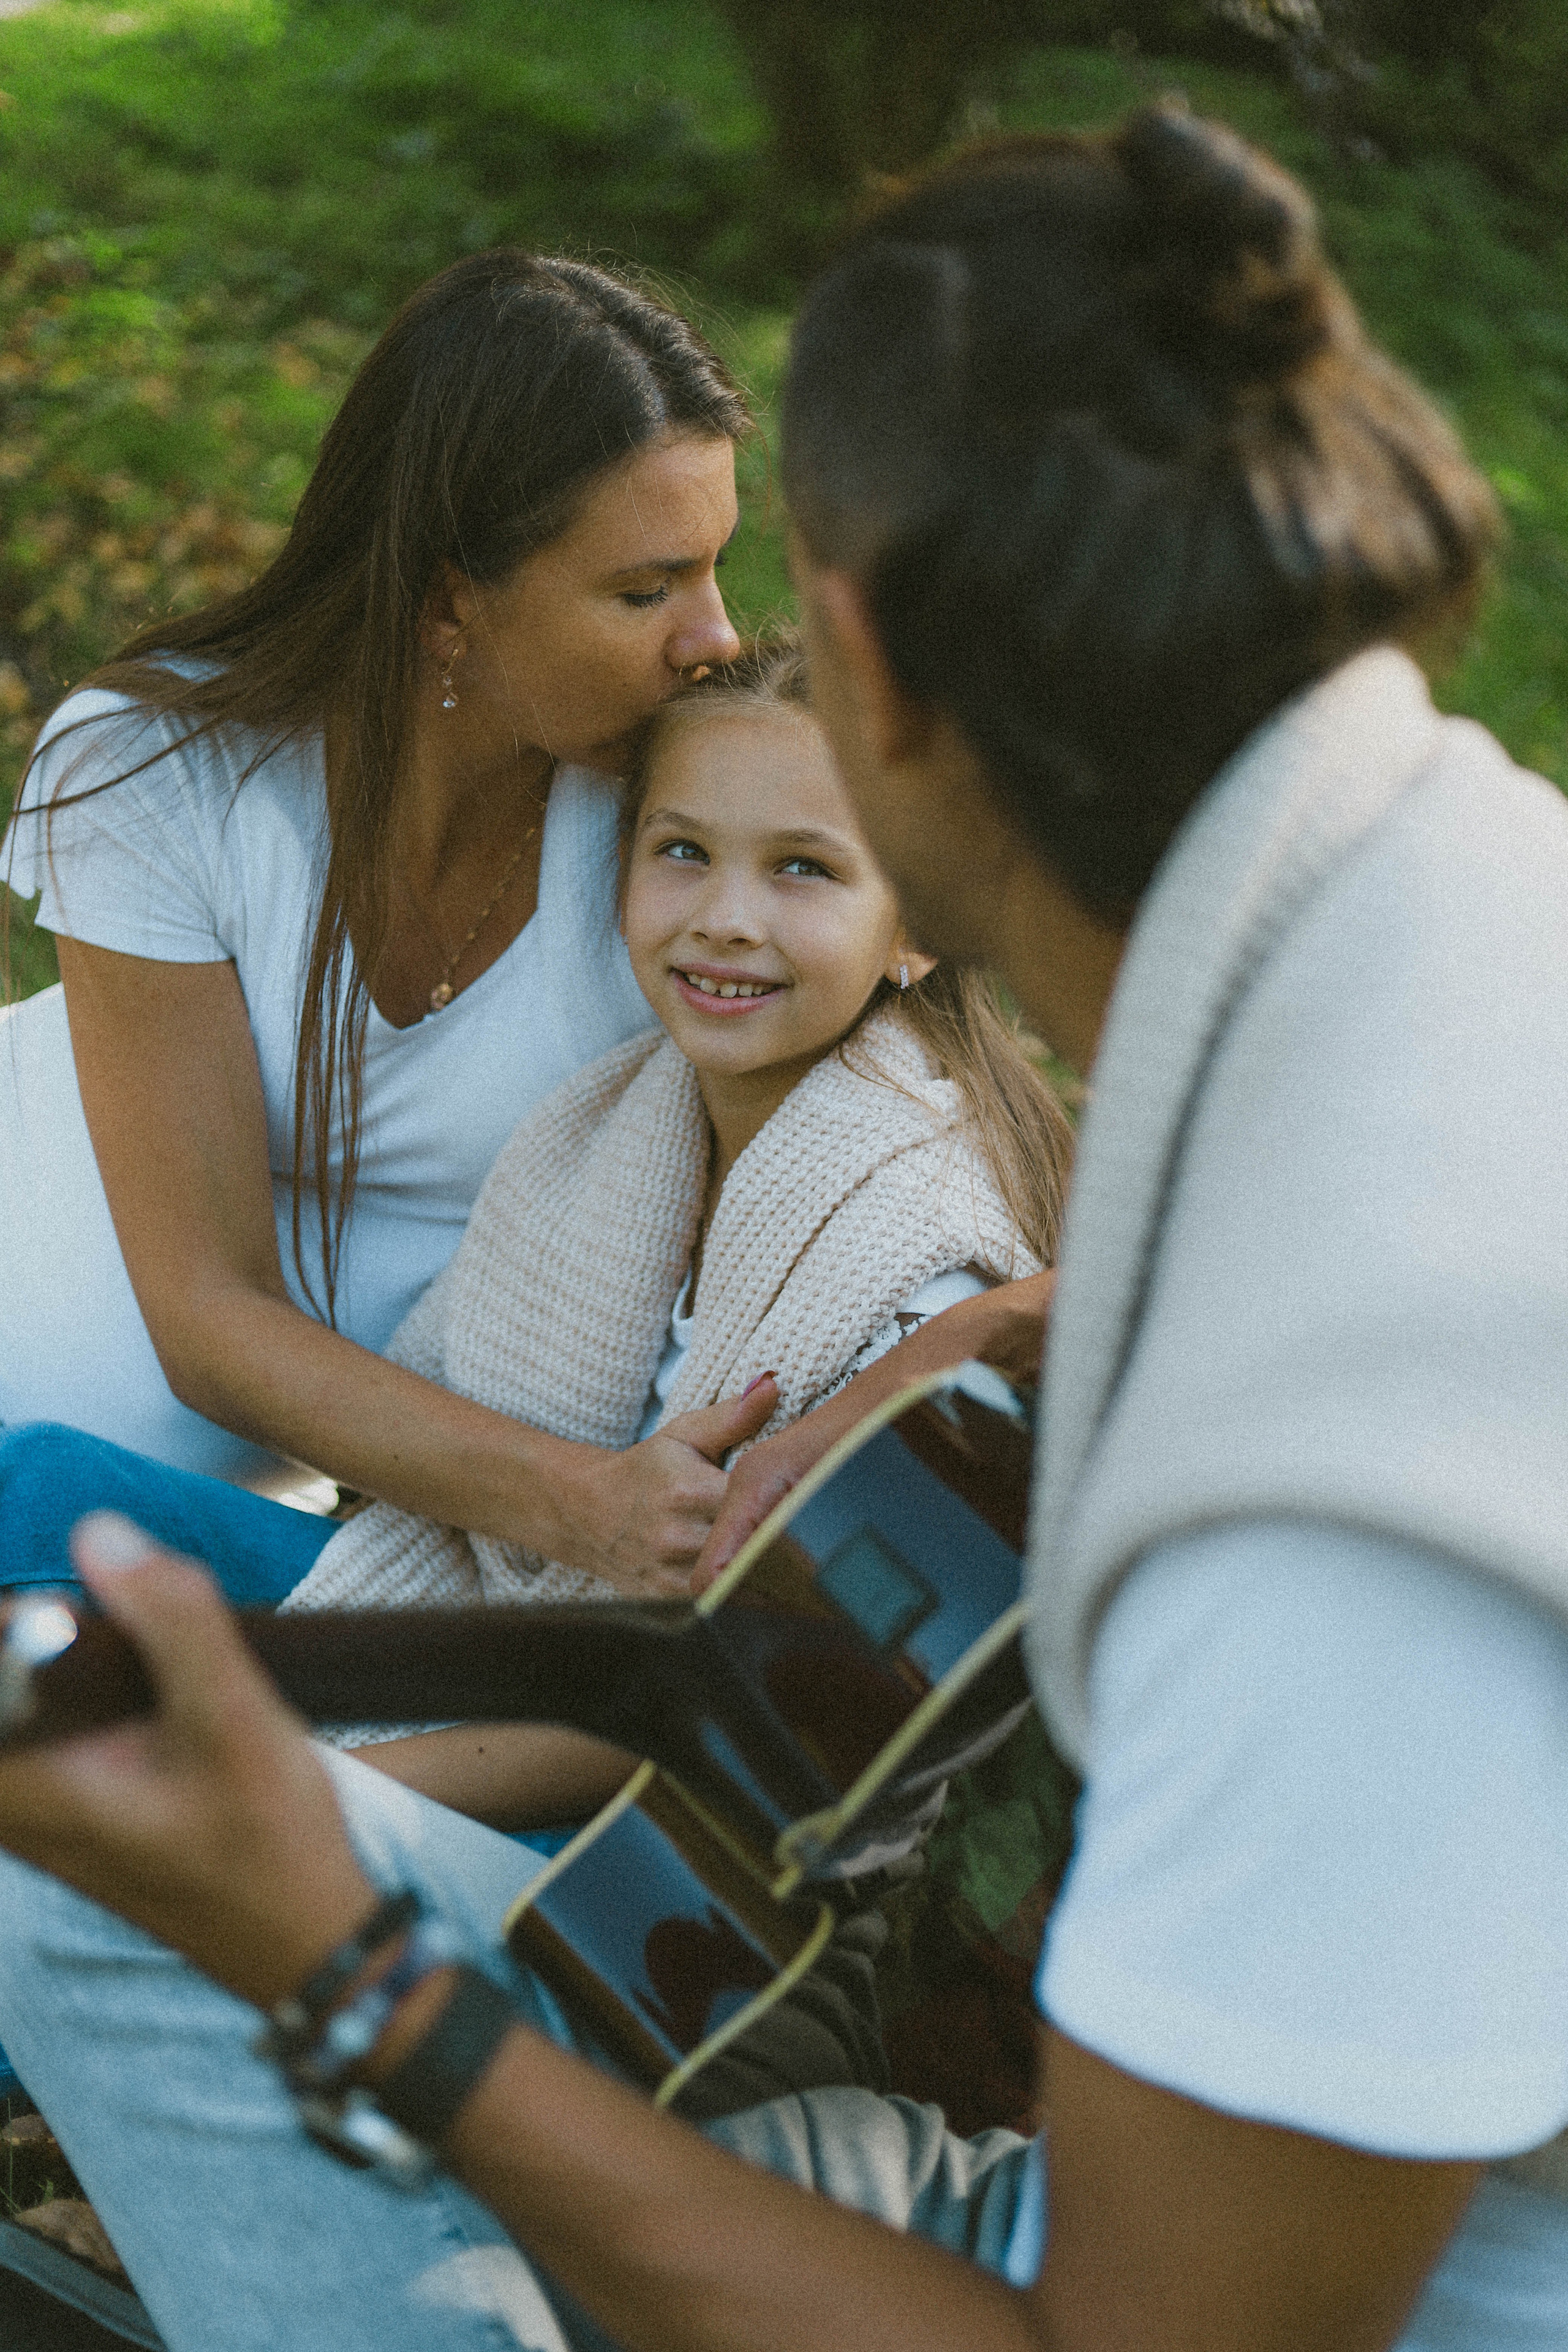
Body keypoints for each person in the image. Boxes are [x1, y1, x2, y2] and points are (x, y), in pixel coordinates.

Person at [2, 99, 1565, 2352]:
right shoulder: (1468, 873)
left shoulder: (1320, 1464)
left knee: (114, 1929)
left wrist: (356, 1977)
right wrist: (1020, 1324)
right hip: (1147, 2150)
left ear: (869, 672)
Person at [0, 248, 1043, 1586]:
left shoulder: (676, 854)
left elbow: (963, 1160)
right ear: (450, 606)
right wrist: (573, 1505)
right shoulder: (161, 767)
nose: (713, 638)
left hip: (318, 1537)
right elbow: (208, 1315)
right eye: (644, 588)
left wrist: (919, 1367)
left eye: (714, 569)